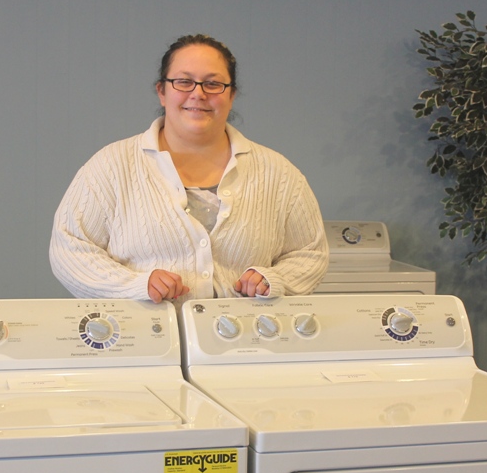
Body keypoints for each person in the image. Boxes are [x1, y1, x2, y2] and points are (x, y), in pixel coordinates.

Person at [49, 34, 328, 305]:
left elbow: (310, 254)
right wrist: (136, 285)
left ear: (231, 95)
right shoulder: (110, 167)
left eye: (213, 84)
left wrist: (273, 280)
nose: (198, 94)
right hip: (144, 334)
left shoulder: (279, 174)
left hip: (247, 336)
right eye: (184, 82)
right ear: (162, 92)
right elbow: (69, 249)